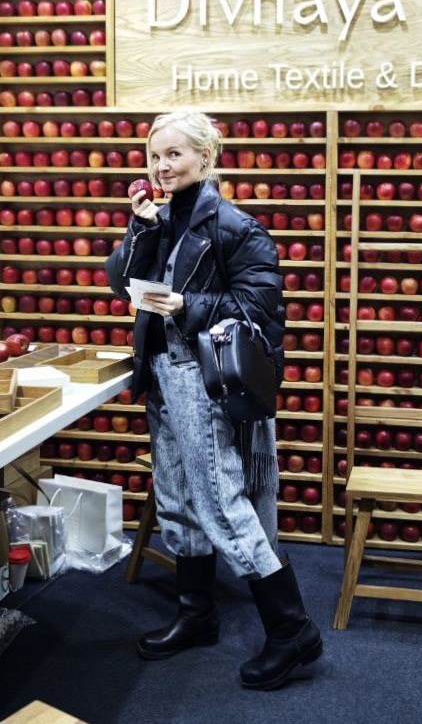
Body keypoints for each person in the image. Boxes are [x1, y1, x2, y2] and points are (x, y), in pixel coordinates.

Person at [105, 107, 322, 690]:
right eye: (155, 155)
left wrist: (188, 305)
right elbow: (119, 281)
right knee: (176, 499)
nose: (161, 165)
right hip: (161, 373)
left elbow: (261, 312)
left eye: (174, 154)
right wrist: (140, 230)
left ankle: (292, 630)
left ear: (206, 156)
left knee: (221, 501)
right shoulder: (157, 218)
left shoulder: (236, 227)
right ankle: (197, 614)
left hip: (201, 379)